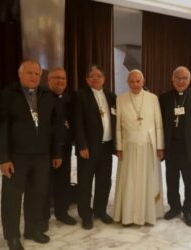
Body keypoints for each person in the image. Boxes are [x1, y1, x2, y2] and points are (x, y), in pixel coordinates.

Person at [0, 60, 64, 250]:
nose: (34, 77)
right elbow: (2, 127)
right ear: (20, 74)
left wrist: (57, 152)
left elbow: (55, 127)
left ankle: (32, 230)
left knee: (37, 195)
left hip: (42, 156)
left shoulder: (47, 96)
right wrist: (4, 158)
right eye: (29, 73)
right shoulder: (8, 95)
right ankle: (12, 236)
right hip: (17, 156)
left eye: (37, 73)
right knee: (12, 198)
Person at [113, 70, 164, 226]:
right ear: (128, 83)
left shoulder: (153, 98)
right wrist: (119, 147)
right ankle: (128, 216)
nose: (135, 84)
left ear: (143, 81)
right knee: (129, 180)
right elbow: (118, 127)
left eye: (138, 81)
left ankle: (148, 214)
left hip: (148, 146)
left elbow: (158, 125)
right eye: (132, 81)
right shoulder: (120, 99)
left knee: (148, 179)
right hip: (128, 147)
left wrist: (160, 146)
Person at [159, 66, 191, 227]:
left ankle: (188, 209)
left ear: (190, 80)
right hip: (171, 147)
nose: (181, 81)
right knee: (171, 179)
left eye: (184, 78)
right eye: (178, 78)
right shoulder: (164, 98)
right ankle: (174, 207)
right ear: (172, 79)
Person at [74, 65, 116, 230]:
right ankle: (86, 215)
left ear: (104, 79)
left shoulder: (111, 96)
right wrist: (82, 145)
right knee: (85, 182)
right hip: (88, 148)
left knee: (104, 181)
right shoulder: (80, 95)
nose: (95, 78)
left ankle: (100, 210)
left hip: (106, 147)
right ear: (87, 79)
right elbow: (77, 123)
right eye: (92, 76)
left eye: (99, 76)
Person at [42, 68, 76, 230]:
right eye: (56, 78)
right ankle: (43, 217)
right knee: (46, 183)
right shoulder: (43, 99)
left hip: (65, 148)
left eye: (63, 78)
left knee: (63, 181)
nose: (60, 81)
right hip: (48, 150)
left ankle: (62, 212)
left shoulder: (67, 100)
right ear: (49, 81)